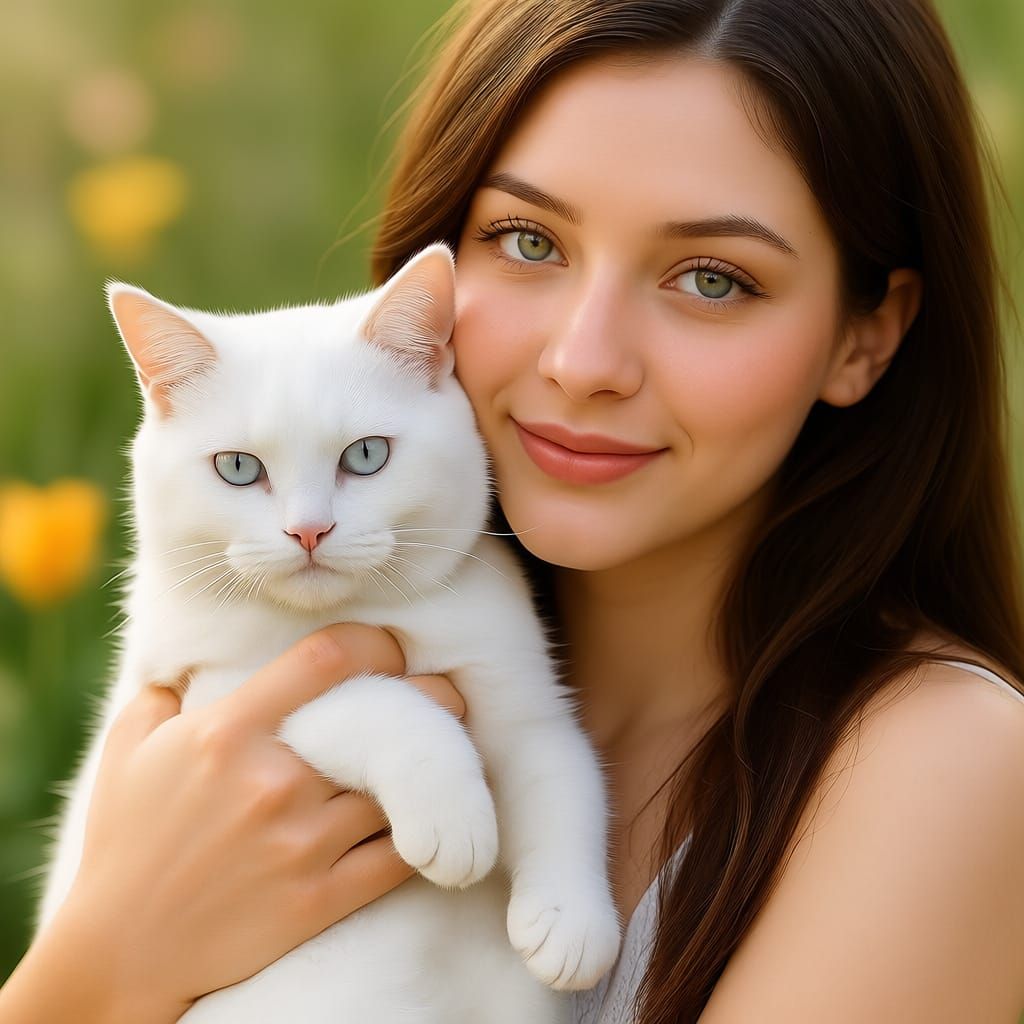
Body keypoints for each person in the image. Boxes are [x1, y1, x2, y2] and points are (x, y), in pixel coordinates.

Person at [3, 0, 1024, 1020]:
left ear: (865, 337)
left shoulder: (947, 768)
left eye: (712, 278)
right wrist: (92, 965)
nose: (583, 362)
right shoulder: (296, 655)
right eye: (527, 240)